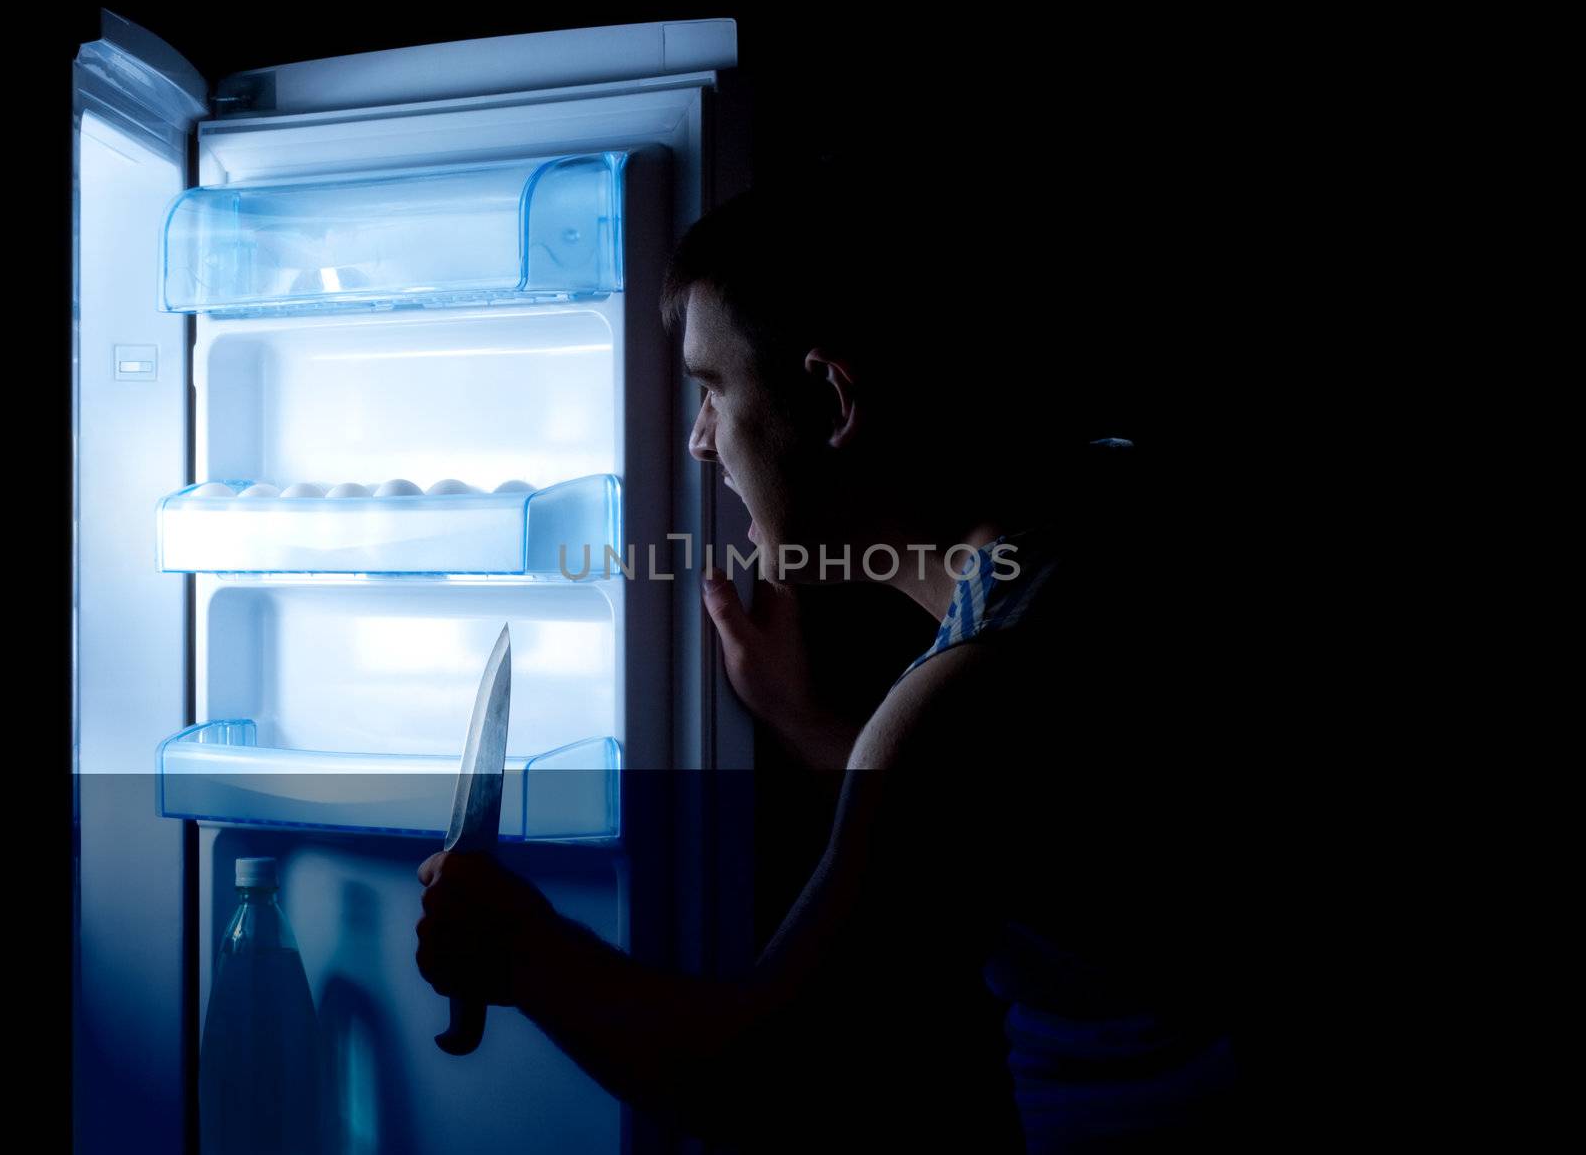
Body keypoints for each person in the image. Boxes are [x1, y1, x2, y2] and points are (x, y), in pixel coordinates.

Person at [415, 164, 1244, 1151]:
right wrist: (819, 729)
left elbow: (761, 1080)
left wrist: (523, 952)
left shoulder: (971, 694)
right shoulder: (1113, 502)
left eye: (714, 390)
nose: (698, 442)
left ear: (833, 396)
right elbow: (1040, 836)